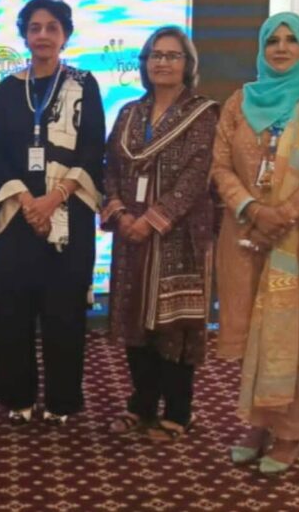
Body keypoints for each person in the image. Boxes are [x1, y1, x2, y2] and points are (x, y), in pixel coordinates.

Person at [211, 12, 299, 474]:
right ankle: (256, 425)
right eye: (273, 40)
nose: (282, 47)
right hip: (245, 234)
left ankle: (289, 433)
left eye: (292, 39)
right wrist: (253, 209)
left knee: (292, 333)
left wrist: (282, 214)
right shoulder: (239, 101)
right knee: (254, 331)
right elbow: (219, 165)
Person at [0, 0, 104, 425]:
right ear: (24, 35)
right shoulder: (7, 89)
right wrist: (27, 201)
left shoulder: (84, 85)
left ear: (65, 35)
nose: (43, 35)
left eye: (52, 27)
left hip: (68, 215)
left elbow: (93, 148)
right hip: (18, 216)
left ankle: (61, 400)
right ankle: (17, 396)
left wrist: (54, 198)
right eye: (34, 27)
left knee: (64, 312)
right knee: (13, 312)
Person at [101, 26, 218, 441]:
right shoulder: (129, 113)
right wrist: (119, 214)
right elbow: (110, 168)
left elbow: (197, 175)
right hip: (129, 235)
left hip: (178, 236)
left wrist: (152, 219)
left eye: (172, 55)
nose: (162, 62)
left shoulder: (203, 114)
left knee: (174, 324)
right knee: (134, 319)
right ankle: (142, 403)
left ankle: (179, 411)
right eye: (155, 55)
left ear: (188, 65)